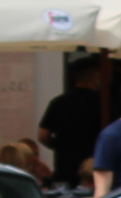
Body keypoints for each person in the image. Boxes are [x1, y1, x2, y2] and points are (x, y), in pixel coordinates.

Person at [38, 58, 105, 189]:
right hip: (93, 170)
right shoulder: (103, 105)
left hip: (64, 169)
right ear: (96, 78)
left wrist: (59, 146)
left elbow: (42, 135)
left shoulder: (58, 103)